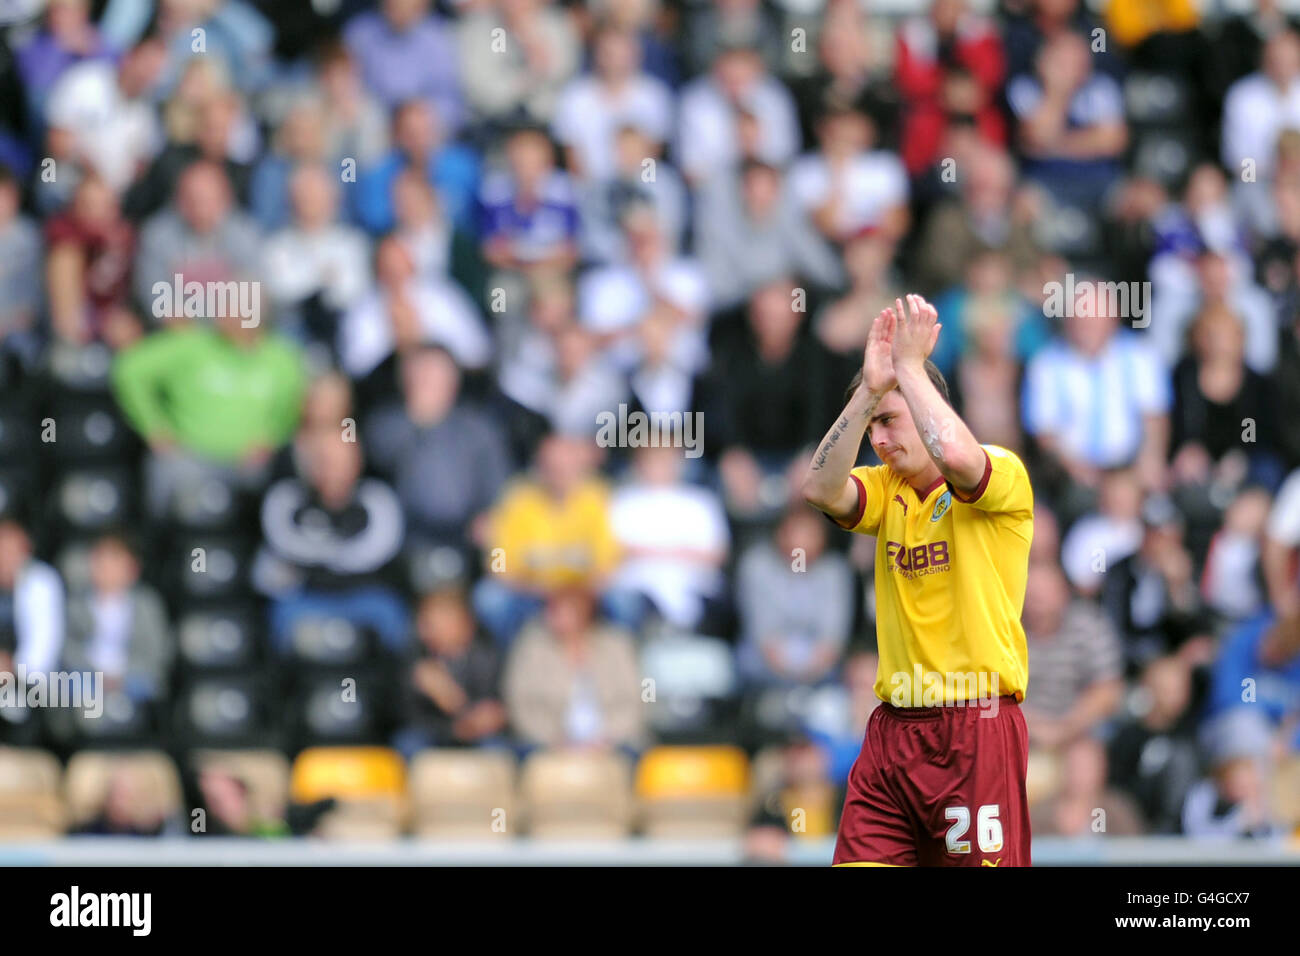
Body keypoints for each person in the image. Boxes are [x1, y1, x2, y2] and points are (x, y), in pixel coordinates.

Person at [801, 293, 1034, 866]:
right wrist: (867, 393)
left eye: (889, 421)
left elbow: (955, 455)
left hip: (975, 730)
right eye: (874, 426)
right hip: (892, 734)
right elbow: (821, 489)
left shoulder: (1001, 475)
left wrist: (908, 366)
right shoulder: (887, 490)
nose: (878, 440)